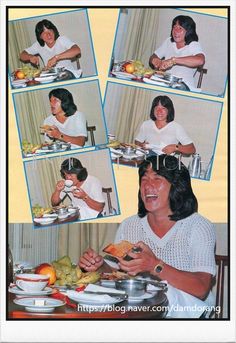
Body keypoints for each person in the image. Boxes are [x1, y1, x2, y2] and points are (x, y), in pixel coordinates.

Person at [79, 155, 216, 317]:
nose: (148, 186)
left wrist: (154, 265)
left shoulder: (199, 226)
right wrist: (99, 266)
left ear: (177, 186)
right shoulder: (130, 225)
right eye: (144, 179)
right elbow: (116, 274)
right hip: (140, 311)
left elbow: (200, 289)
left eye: (157, 179)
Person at [149, 15, 205, 90]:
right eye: (174, 27)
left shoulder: (193, 44)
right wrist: (155, 61)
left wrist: (173, 60)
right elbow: (153, 56)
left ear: (188, 31)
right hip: (165, 82)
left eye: (180, 28)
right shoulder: (168, 41)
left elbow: (200, 60)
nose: (175, 31)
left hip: (184, 86)